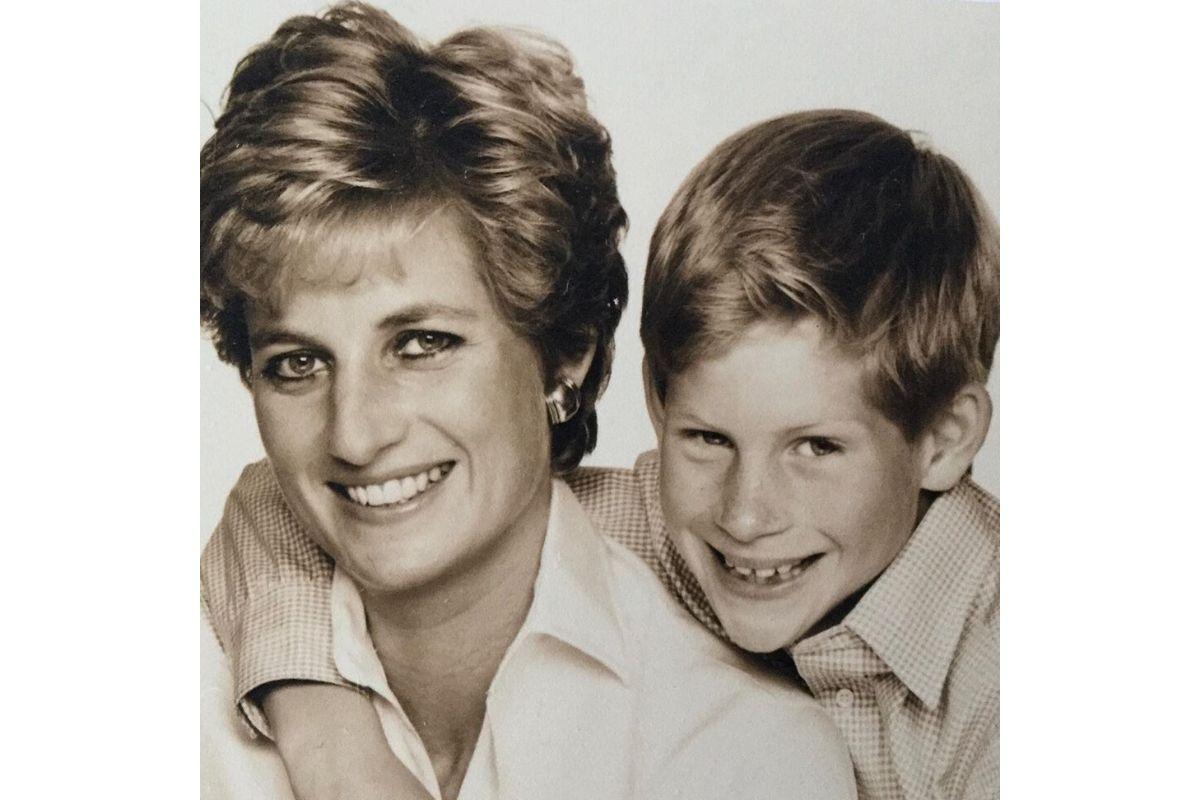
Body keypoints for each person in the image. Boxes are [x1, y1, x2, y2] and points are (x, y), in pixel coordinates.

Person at [205, 64, 998, 800]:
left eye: (817, 448)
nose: (746, 515)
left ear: (943, 440)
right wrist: (334, 744)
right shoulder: (651, 524)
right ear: (658, 405)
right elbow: (279, 499)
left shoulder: (998, 690)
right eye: (706, 438)